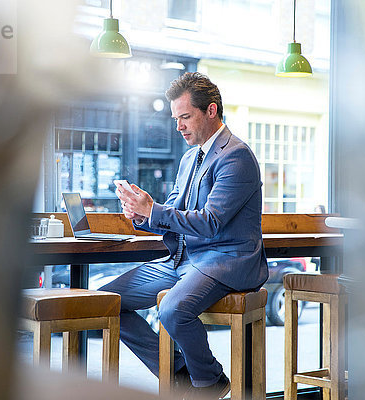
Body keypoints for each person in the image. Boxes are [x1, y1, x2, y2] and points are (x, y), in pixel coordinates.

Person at [101, 72, 269, 400]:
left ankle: (209, 382)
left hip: (226, 261)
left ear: (211, 111)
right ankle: (181, 373)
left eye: (185, 117)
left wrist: (153, 210)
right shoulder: (189, 158)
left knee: (173, 310)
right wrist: (141, 215)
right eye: (176, 118)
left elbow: (211, 222)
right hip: (184, 260)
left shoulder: (237, 156)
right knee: (108, 303)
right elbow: (176, 215)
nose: (179, 126)